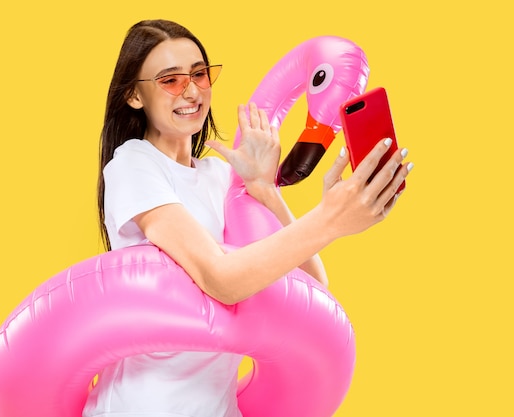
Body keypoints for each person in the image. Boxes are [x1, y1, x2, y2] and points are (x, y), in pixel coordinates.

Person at [83, 19, 412, 417]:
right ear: (135, 95)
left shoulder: (221, 175)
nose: (191, 91)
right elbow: (218, 278)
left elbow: (309, 288)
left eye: (200, 74)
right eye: (170, 80)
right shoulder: (133, 164)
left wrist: (263, 189)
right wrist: (329, 217)